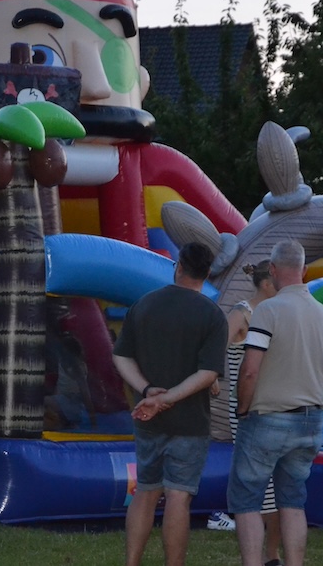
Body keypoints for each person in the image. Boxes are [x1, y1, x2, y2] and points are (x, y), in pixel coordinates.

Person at [112, 242, 228, 566]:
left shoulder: (144, 304)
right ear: (207, 273)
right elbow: (208, 373)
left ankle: (132, 562)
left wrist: (148, 391)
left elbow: (121, 356)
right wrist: (169, 398)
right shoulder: (212, 315)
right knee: (178, 496)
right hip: (191, 421)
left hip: (147, 417)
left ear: (178, 267)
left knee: (146, 491)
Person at [228, 240, 323, 566]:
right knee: (293, 501)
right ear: (305, 270)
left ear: (272, 270)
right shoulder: (322, 312)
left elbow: (250, 370)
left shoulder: (267, 310)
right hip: (311, 418)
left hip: (268, 416)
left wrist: (242, 409)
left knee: (247, 500)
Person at [207, 261, 284, 566]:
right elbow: (217, 345)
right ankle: (270, 554)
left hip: (271, 402)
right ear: (266, 283)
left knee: (271, 482)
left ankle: (271, 553)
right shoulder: (243, 313)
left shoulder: (278, 311)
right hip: (247, 404)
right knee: (264, 481)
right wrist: (213, 375)